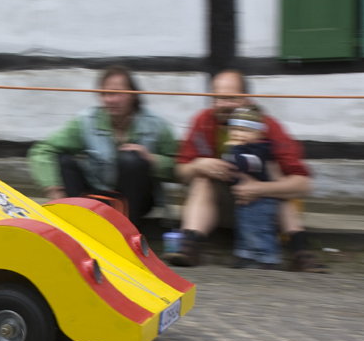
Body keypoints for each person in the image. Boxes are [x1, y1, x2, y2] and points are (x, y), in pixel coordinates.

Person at [169, 70, 327, 272]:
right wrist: (198, 165)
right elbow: (181, 173)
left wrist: (259, 188)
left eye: (231, 98)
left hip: (263, 207)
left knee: (275, 171)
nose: (224, 104)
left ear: (246, 99)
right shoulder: (203, 121)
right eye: (218, 98)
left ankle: (301, 252)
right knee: (202, 178)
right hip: (222, 204)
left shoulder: (266, 126)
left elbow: (303, 184)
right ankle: (189, 247)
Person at [27, 66, 177, 225]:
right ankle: (77, 218)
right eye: (104, 94)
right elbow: (42, 150)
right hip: (98, 196)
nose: (109, 100)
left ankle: (127, 228)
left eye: (116, 93)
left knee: (132, 159)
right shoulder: (87, 121)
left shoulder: (156, 125)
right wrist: (55, 190)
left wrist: (151, 158)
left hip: (137, 203)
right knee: (63, 160)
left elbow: (179, 166)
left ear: (133, 94)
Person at [223, 105, 282, 269]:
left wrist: (233, 149)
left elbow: (246, 164)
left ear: (258, 134)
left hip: (261, 200)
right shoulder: (243, 148)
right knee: (245, 228)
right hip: (246, 199)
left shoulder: (259, 150)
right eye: (234, 129)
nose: (237, 134)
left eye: (244, 130)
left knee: (258, 230)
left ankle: (267, 258)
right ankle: (245, 256)